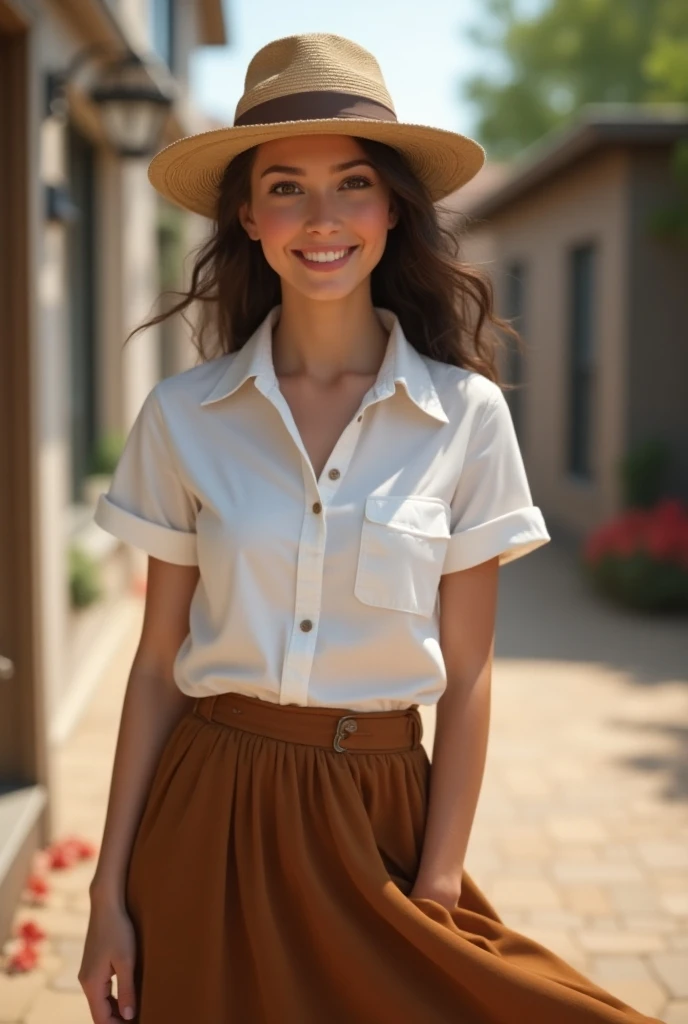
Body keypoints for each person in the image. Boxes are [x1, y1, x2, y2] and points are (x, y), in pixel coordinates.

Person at [79, 32, 662, 1024]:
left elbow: (471, 677)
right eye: (285, 187)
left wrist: (438, 879)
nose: (321, 219)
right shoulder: (183, 416)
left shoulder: (466, 416)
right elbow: (150, 668)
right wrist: (106, 894)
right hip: (208, 812)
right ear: (248, 216)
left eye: (352, 183)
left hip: (381, 824)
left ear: (393, 208)